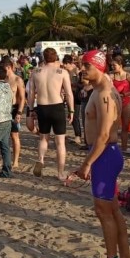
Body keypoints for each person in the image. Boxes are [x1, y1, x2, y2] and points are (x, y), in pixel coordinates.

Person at [73, 51, 130, 258]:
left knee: (103, 211)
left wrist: (87, 163)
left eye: (86, 67)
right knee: (114, 209)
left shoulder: (105, 94)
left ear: (98, 66)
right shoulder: (102, 90)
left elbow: (104, 135)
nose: (82, 71)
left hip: (104, 156)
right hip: (105, 155)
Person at [27, 47, 75, 179]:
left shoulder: (35, 72)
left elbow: (31, 93)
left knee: (43, 138)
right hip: (57, 107)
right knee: (60, 142)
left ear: (43, 57)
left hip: (42, 107)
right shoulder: (62, 72)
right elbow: (69, 94)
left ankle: (41, 159)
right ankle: (60, 173)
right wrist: (71, 110)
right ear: (55, 57)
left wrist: (31, 109)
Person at [1, 57, 26, 169]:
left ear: (9, 67)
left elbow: (22, 98)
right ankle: (6, 160)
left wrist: (19, 113)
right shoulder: (3, 80)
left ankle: (15, 161)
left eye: (4, 69)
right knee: (3, 136)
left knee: (14, 135)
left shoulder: (17, 80)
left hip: (14, 109)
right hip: (3, 109)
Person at [109, 56, 130, 154]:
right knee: (113, 127)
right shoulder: (111, 77)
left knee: (125, 126)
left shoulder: (129, 76)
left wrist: (125, 94)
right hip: (114, 104)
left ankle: (124, 148)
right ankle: (113, 147)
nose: (112, 67)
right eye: (111, 65)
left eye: (114, 65)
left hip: (126, 102)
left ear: (120, 65)